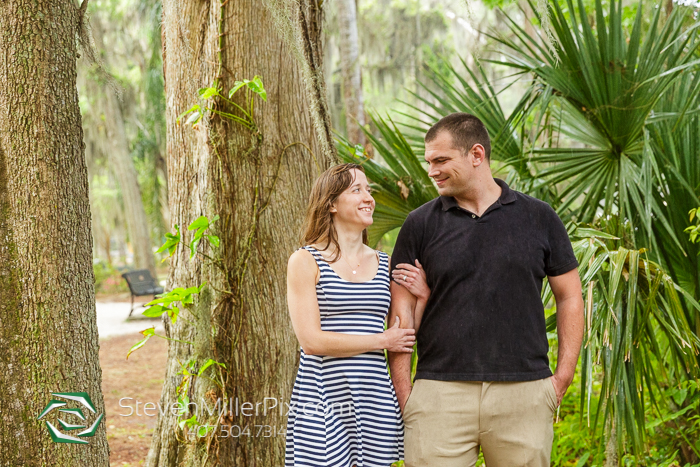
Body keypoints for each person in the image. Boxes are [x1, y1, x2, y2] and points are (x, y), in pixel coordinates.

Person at [389, 113, 585, 467]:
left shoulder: (539, 217)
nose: (431, 170)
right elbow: (400, 314)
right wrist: (406, 394)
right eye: (428, 161)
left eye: (440, 160)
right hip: (439, 394)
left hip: (524, 392)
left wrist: (562, 376)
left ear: (476, 154)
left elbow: (569, 295)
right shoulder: (419, 224)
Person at [285, 163, 430, 467]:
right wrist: (380, 340)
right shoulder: (305, 260)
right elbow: (311, 341)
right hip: (323, 397)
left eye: (369, 190)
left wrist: (423, 297)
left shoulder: (384, 262)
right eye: (357, 190)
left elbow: (401, 333)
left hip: (374, 397)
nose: (369, 197)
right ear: (332, 204)